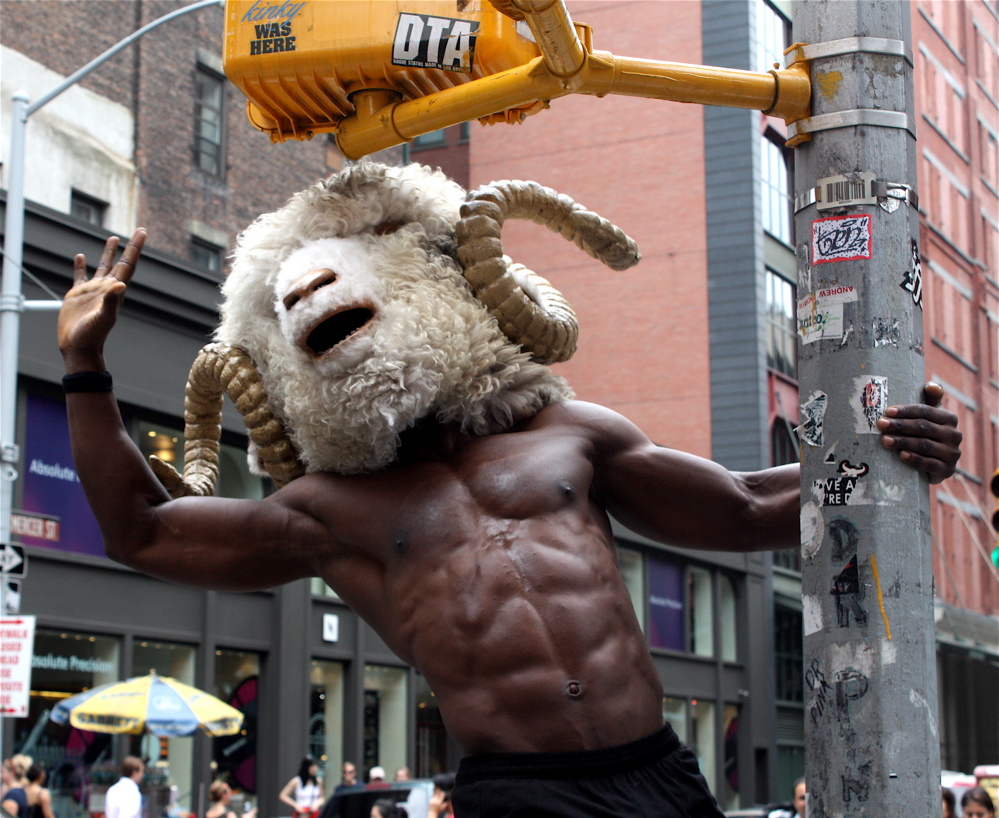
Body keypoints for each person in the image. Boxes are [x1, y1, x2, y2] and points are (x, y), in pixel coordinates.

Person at [59, 166, 962, 818]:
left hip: (657, 772)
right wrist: (84, 365)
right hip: (516, 791)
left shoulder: (571, 433)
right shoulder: (329, 509)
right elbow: (142, 531)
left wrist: (896, 447)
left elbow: (746, 505)